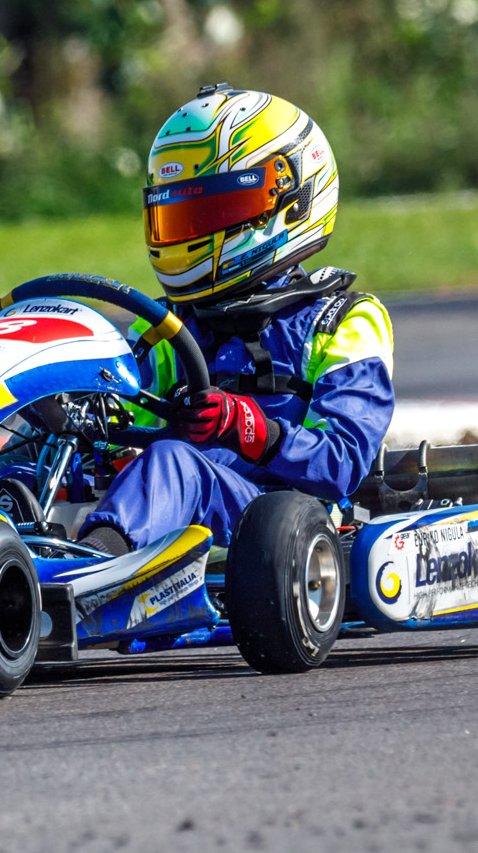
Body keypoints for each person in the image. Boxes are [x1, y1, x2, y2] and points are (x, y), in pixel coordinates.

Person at [22, 85, 394, 554]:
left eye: (215, 210)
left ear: (292, 200)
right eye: (181, 213)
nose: (194, 229)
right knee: (21, 475)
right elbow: (115, 420)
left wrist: (249, 428)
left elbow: (342, 463)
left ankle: (90, 568)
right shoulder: (168, 326)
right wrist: (45, 393)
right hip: (175, 507)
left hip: (283, 525)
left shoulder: (341, 321)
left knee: (174, 465)